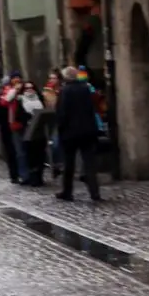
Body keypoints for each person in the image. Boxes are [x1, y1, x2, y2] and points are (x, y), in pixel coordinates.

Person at [54, 67, 104, 203]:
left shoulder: (65, 91)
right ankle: (95, 193)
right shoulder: (85, 89)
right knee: (89, 163)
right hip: (88, 131)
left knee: (69, 164)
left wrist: (60, 128)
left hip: (70, 133)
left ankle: (67, 192)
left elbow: (62, 113)